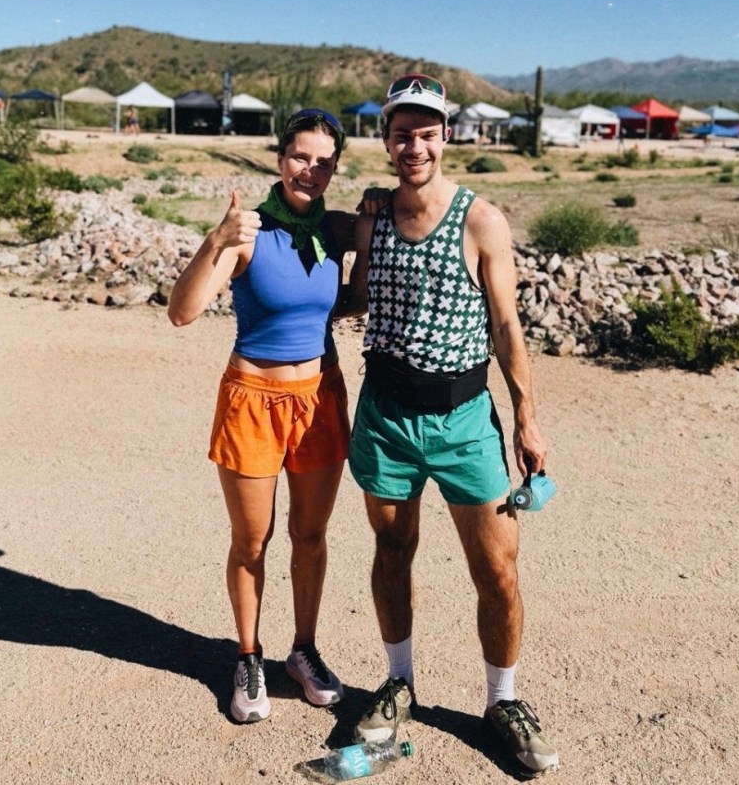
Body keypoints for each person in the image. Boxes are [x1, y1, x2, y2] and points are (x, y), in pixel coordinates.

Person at [346, 74, 560, 775]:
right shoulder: (374, 217)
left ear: (445, 138)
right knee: (392, 550)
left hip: (465, 419)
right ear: (386, 141)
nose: (415, 146)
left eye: (427, 133)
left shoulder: (481, 221)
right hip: (386, 415)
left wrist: (526, 418)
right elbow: (355, 297)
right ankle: (399, 683)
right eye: (402, 134)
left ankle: (503, 700)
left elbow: (506, 325)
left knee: (497, 567)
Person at [168, 109, 364, 725]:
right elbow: (182, 312)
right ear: (280, 158)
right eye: (301, 156)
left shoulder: (337, 227)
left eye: (324, 161)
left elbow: (355, 290)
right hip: (253, 399)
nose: (311, 170)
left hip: (320, 398)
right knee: (252, 540)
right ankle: (248, 656)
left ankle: (303, 651)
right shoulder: (247, 230)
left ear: (335, 168)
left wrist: (379, 208)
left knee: (311, 536)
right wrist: (216, 240)